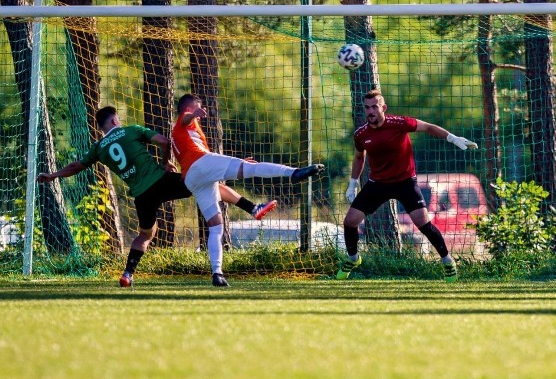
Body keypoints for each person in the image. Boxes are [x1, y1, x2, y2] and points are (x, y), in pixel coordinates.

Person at [36, 106, 278, 288]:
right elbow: (164, 141)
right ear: (115, 119)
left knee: (145, 235)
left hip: (142, 195)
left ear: (101, 127)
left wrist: (54, 175)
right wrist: (166, 162)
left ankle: (128, 274)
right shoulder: (130, 130)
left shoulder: (98, 148)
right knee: (210, 181)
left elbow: (77, 166)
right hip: (160, 181)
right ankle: (252, 207)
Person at [171, 94, 324, 287]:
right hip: (199, 164)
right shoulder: (183, 121)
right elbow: (186, 118)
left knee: (216, 226)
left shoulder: (188, 133)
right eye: (197, 110)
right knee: (252, 169)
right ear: (187, 109)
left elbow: (205, 158)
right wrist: (192, 114)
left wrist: (239, 163)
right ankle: (294, 173)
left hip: (193, 179)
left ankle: (217, 273)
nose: (200, 115)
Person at [337, 89, 478, 283]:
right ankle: (353, 259)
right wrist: (353, 183)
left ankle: (447, 262)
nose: (370, 111)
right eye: (367, 107)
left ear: (383, 108)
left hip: (405, 182)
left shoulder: (399, 123)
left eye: (374, 107)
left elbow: (428, 127)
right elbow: (359, 157)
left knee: (423, 223)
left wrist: (453, 139)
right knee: (350, 221)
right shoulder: (361, 134)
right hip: (378, 184)